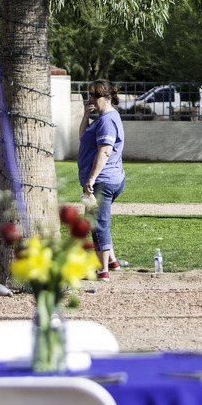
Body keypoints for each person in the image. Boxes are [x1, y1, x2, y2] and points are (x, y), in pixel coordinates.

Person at [79, 79, 126, 282]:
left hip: (103, 181)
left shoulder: (107, 120)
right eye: (89, 95)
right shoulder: (102, 118)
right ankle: (113, 262)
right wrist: (86, 114)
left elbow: (105, 151)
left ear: (107, 98)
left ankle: (103, 270)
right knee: (96, 218)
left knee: (98, 222)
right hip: (108, 179)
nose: (91, 99)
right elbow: (82, 137)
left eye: (95, 96)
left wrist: (91, 179)